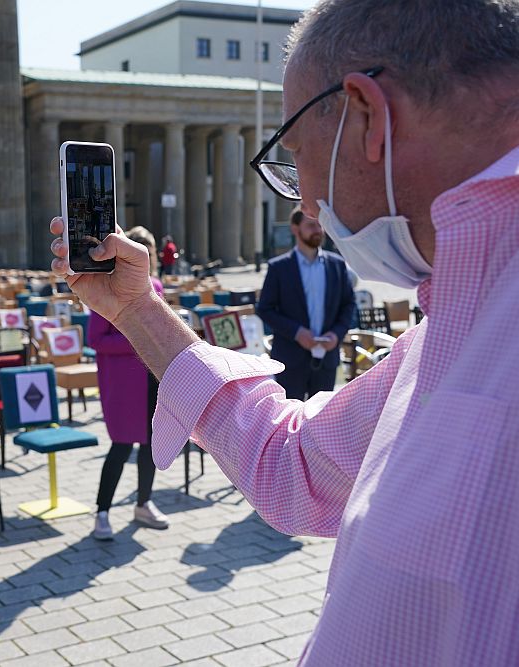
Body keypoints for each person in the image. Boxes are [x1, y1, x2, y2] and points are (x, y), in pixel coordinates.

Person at [48, 0, 519, 663]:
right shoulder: (454, 317)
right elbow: (293, 466)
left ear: (364, 115)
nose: (300, 200)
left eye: (294, 154)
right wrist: (136, 309)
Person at [88, 226, 169, 539]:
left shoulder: (157, 286)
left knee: (151, 445)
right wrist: (137, 341)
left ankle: (143, 503)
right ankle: (102, 512)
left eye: (149, 250)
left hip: (152, 379)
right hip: (123, 384)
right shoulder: (109, 287)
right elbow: (97, 339)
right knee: (120, 447)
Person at [256, 206, 355, 399]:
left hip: (326, 359)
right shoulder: (279, 267)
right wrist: (297, 332)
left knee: (321, 421)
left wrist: (336, 335)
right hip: (290, 359)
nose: (317, 230)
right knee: (288, 420)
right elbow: (265, 309)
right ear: (295, 229)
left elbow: (349, 305)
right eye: (311, 225)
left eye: (320, 225)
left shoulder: (337, 265)